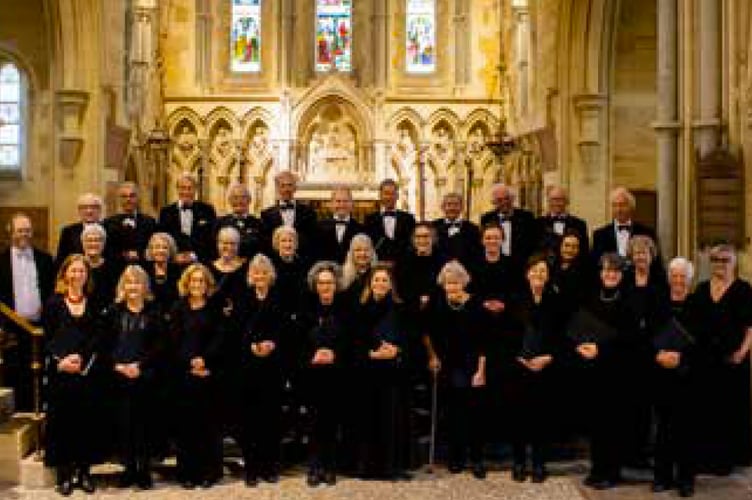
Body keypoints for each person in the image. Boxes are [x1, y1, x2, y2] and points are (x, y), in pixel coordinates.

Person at [571, 253, 639, 490]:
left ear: (622, 274)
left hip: (618, 371)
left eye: (615, 271)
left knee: (614, 423)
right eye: (606, 270)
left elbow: (630, 337)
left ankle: (612, 471)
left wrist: (600, 348)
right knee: (596, 421)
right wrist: (579, 344)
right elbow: (580, 326)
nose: (610, 274)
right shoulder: (592, 296)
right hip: (593, 371)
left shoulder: (629, 300)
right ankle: (597, 468)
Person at [690, 244, 752, 475]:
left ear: (735, 263)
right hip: (706, 359)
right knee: (707, 408)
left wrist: (742, 352)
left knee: (730, 408)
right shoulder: (702, 288)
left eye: (725, 260)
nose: (720, 264)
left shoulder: (744, 289)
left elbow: (750, 327)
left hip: (733, 359)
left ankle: (727, 459)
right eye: (716, 259)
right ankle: (706, 458)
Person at [42, 255, 100, 496]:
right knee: (62, 423)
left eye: (82, 271)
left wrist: (82, 360)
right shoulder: (54, 303)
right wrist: (62, 360)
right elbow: (48, 337)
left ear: (87, 275)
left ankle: (84, 472)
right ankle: (64, 475)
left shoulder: (94, 302)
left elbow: (98, 337)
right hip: (62, 373)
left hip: (86, 373)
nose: (77, 275)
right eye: (73, 271)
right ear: (64, 274)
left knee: (85, 423)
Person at [500, 255, 560, 483]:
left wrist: (548, 357)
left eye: (542, 271)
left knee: (541, 418)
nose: (538, 275)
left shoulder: (555, 301)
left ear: (547, 275)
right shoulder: (515, 300)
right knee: (518, 417)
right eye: (534, 271)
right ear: (527, 274)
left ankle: (538, 463)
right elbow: (505, 336)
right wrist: (519, 358)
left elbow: (562, 336)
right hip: (519, 366)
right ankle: (518, 462)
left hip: (545, 367)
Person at [426, 261, 487, 479]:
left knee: (474, 414)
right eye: (447, 283)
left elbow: (484, 342)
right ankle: (456, 457)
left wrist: (481, 371)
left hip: (472, 365)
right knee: (453, 414)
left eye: (455, 282)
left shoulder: (476, 304)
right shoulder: (438, 303)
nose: (451, 287)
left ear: (463, 282)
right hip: (447, 365)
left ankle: (477, 459)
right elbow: (427, 332)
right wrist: (432, 356)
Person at [103, 265, 162, 490]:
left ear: (144, 286)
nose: (133, 287)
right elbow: (104, 344)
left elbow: (160, 345)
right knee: (124, 425)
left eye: (137, 282)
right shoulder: (113, 311)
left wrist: (140, 365)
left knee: (144, 425)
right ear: (122, 286)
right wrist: (116, 365)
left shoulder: (154, 312)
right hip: (118, 377)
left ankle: (144, 469)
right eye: (128, 282)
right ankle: (128, 469)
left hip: (145, 376)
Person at [353, 264, 411, 480]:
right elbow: (353, 341)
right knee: (367, 419)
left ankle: (389, 467)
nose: (380, 283)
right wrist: (371, 354)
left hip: (392, 373)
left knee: (390, 419)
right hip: (367, 372)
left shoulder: (400, 308)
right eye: (376, 280)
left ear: (391, 285)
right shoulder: (359, 309)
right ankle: (367, 467)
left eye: (384, 280)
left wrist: (397, 350)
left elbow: (408, 339)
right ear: (370, 283)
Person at [169, 263, 224, 488]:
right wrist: (190, 361)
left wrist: (205, 360)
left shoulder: (215, 307)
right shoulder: (178, 307)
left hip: (210, 373)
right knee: (187, 426)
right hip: (184, 374)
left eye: (201, 281)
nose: (197, 284)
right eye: (193, 280)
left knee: (208, 425)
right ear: (187, 283)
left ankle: (209, 472)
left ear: (207, 284)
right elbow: (174, 341)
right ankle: (187, 473)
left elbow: (220, 338)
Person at [236, 254, 285, 486]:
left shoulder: (279, 298)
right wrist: (252, 345)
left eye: (264, 272)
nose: (260, 276)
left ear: (270, 275)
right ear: (250, 275)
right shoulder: (243, 299)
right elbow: (237, 330)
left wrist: (272, 343)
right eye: (256, 272)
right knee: (250, 418)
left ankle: (269, 466)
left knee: (271, 417)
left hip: (273, 365)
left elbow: (285, 329)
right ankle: (252, 468)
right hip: (248, 366)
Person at [652, 257, 697, 497]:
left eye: (683, 277)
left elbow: (705, 344)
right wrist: (657, 354)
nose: (678, 281)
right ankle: (662, 476)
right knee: (663, 429)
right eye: (674, 276)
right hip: (661, 375)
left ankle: (686, 479)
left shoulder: (698, 306)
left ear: (690, 280)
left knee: (685, 430)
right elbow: (647, 335)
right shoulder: (659, 303)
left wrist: (682, 358)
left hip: (686, 377)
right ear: (669, 278)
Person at [0, 212, 54, 411]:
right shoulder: (1, 261)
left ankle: (36, 414)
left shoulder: (45, 259)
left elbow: (51, 292)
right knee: (13, 375)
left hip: (38, 328)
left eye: (27, 230)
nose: (24, 234)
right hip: (10, 330)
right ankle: (15, 418)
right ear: (10, 232)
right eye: (19, 230)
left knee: (38, 375)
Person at [300, 261, 347, 487]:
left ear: (336, 284)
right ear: (315, 285)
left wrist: (335, 354)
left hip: (337, 375)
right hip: (312, 375)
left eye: (329, 283)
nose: (325, 287)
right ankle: (314, 466)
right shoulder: (306, 310)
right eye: (321, 283)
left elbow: (353, 341)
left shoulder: (346, 310)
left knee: (332, 421)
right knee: (313, 422)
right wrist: (312, 354)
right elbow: (297, 341)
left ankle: (330, 466)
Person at [479, 184, 536, 278]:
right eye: (499, 200)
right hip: (495, 267)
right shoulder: (486, 218)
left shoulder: (527, 217)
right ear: (494, 202)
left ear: (513, 199)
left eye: (507, 198)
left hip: (521, 267)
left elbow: (532, 242)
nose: (504, 202)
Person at [158, 173, 217, 264]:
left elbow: (212, 240)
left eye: (190, 188)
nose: (186, 192)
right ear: (177, 189)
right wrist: (174, 256)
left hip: (201, 262)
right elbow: (162, 240)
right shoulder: (166, 212)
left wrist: (194, 256)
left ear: (195, 190)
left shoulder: (207, 210)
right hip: (173, 264)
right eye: (183, 188)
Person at [591, 187, 657, 264]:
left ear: (631, 207)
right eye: (615, 205)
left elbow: (656, 262)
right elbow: (594, 264)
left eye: (622, 205)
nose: (618, 209)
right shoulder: (599, 235)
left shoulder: (647, 232)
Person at [260, 171, 318, 259]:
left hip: (302, 261)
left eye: (290, 185)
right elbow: (266, 242)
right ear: (277, 188)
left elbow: (312, 240)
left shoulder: (309, 213)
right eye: (283, 186)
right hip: (275, 261)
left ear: (295, 188)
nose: (287, 189)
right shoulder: (266, 214)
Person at [364, 179, 416, 263]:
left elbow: (412, 244)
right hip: (377, 266)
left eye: (392, 194)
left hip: (403, 265)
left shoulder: (408, 219)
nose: (389, 197)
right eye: (386, 193)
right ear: (380, 195)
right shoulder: (369, 219)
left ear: (397, 196)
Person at [104, 182, 157, 264]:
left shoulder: (150, 222)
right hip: (117, 269)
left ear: (138, 198)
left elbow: (153, 247)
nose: (128, 199)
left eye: (132, 196)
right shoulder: (108, 223)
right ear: (119, 199)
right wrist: (124, 255)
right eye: (124, 196)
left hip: (143, 267)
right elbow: (107, 250)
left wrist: (139, 254)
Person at [55, 193, 105, 270]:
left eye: (93, 207)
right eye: (84, 207)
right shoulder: (68, 231)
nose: (89, 211)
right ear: (79, 211)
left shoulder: (109, 230)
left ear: (100, 210)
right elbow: (61, 260)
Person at [214, 183, 263, 259]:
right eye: (235, 198)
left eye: (243, 197)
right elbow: (213, 249)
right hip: (227, 267)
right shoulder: (219, 223)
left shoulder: (259, 223)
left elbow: (263, 250)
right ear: (229, 201)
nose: (239, 201)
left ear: (249, 200)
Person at [535, 186, 589, 257]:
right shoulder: (537, 223)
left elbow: (584, 251)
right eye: (554, 199)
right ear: (548, 201)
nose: (557, 203)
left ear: (567, 202)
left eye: (560, 199)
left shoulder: (579, 224)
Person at [315, 187, 364, 263]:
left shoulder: (361, 229)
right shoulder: (318, 227)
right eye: (338, 201)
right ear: (331, 204)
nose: (342, 205)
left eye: (345, 201)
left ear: (352, 204)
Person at [431, 192, 481, 267]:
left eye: (456, 204)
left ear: (461, 207)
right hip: (438, 271)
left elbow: (476, 254)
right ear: (442, 207)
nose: (452, 208)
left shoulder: (473, 228)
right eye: (449, 204)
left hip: (465, 272)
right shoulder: (433, 227)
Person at [81, 223, 120, 313]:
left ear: (104, 243)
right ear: (82, 243)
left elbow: (118, 296)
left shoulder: (114, 267)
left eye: (98, 240)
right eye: (89, 240)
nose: (93, 244)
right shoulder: (76, 266)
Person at [340, 233, 377, 306]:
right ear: (351, 253)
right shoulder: (342, 276)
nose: (362, 254)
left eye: (366, 250)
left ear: (372, 253)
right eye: (358, 250)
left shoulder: (378, 276)